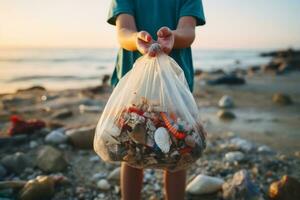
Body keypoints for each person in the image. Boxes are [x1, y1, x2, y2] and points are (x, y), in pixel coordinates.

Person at [107, 0, 205, 199]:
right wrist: (136, 39)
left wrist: (172, 37)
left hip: (174, 85)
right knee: (131, 147)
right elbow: (123, 31)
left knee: (178, 150)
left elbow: (188, 32)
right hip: (133, 84)